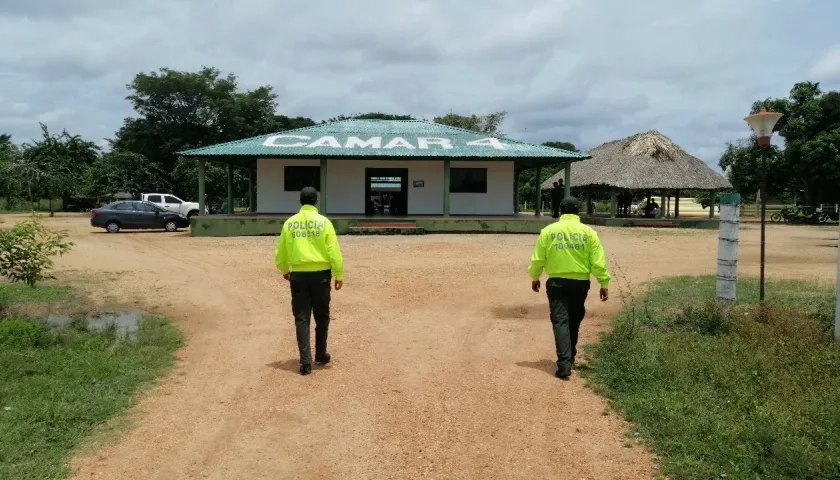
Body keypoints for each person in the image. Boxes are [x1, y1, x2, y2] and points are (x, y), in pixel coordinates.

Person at [528, 197, 610, 379]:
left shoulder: (548, 231)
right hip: (580, 284)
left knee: (560, 321)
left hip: (556, 283)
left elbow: (538, 258)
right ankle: (570, 356)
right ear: (578, 211)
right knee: (574, 319)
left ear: (560, 211)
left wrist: (535, 277)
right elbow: (597, 262)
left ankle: (565, 363)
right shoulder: (589, 233)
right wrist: (604, 283)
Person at [275, 187, 344, 376]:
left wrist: (284, 269)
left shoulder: (290, 224)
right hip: (321, 276)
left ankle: (305, 362)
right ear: (316, 201)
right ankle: (321, 354)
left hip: (298, 276)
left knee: (302, 318)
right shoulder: (324, 223)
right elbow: (334, 252)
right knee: (322, 316)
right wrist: (338, 275)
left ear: (300, 201)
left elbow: (281, 252)